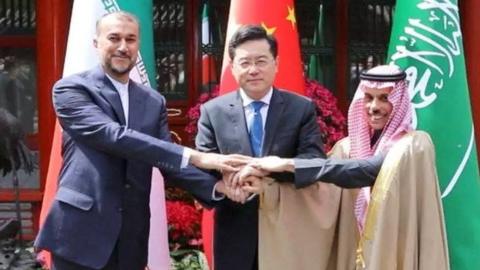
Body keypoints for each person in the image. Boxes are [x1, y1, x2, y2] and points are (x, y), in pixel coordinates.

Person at [34, 11, 249, 270]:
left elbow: (165, 161)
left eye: (131, 39)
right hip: (80, 233)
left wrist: (217, 188)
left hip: (130, 236)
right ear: (96, 43)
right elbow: (113, 136)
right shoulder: (72, 89)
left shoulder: (152, 101)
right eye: (114, 38)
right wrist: (196, 155)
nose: (123, 47)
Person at [245, 65, 449, 270]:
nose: (374, 107)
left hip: (396, 253)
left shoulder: (415, 146)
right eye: (368, 97)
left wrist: (288, 164)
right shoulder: (347, 148)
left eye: (384, 98)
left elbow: (367, 170)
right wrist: (269, 189)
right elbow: (319, 196)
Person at [195, 25, 326, 270]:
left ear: (276, 63)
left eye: (261, 61)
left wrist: (265, 175)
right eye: (245, 63)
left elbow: (313, 160)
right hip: (234, 232)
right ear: (232, 67)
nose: (253, 70)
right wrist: (223, 186)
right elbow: (203, 167)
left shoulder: (301, 108)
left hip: (286, 227)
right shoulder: (213, 112)